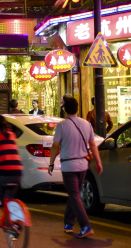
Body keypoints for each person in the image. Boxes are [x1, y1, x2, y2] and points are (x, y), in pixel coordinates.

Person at [48, 98, 103, 239]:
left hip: (69, 166)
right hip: (83, 165)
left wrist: (51, 162)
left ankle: (85, 225)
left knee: (74, 195)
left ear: (65, 110)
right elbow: (93, 145)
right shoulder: (86, 124)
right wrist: (98, 162)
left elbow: (55, 146)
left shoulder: (62, 126)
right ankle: (68, 223)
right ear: (77, 109)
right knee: (75, 194)